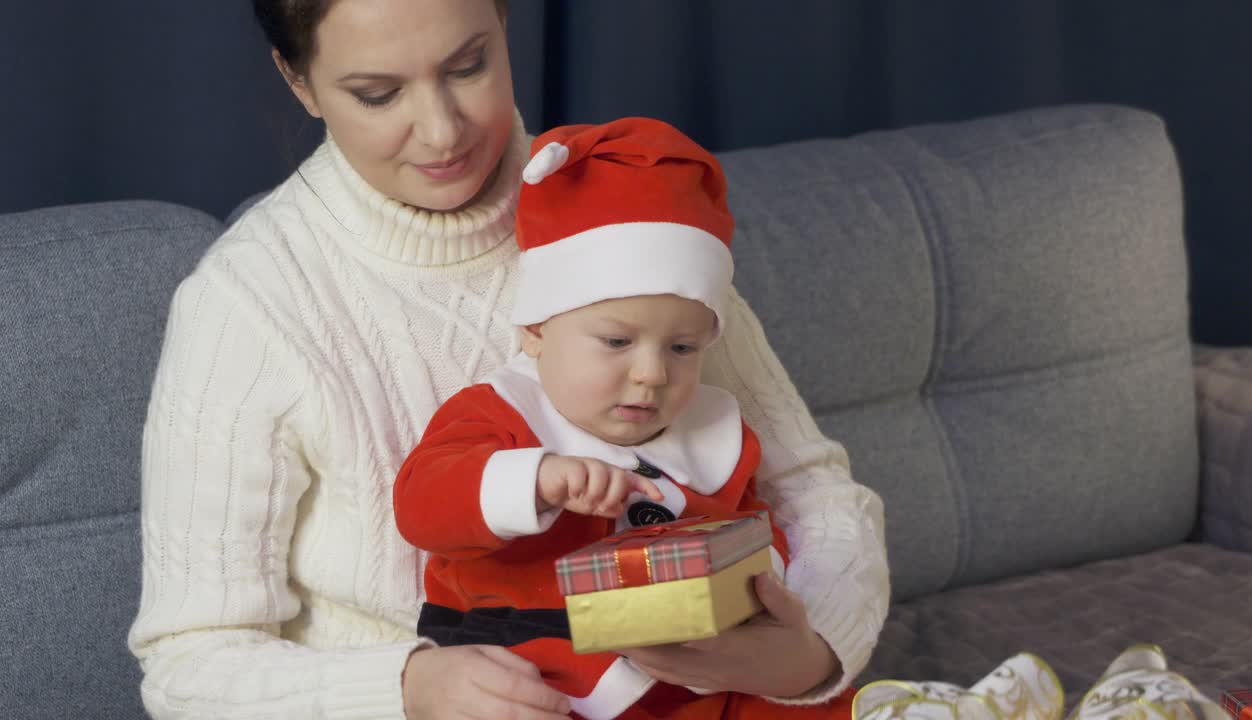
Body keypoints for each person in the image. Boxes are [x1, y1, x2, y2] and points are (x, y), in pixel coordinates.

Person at [127, 1, 889, 718]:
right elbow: (188, 665)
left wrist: (809, 656)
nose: (441, 132)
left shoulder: (622, 203)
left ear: (502, 21)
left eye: (468, 67)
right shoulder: (247, 303)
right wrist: (407, 687)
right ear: (300, 82)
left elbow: (814, 492)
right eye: (378, 93)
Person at [396, 117, 825, 719]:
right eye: (617, 343)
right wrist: (535, 480)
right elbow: (423, 506)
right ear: (537, 330)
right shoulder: (501, 413)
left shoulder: (712, 435)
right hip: (549, 667)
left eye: (682, 349)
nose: (652, 374)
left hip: (700, 668)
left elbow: (755, 526)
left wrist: (757, 578)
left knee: (809, 708)